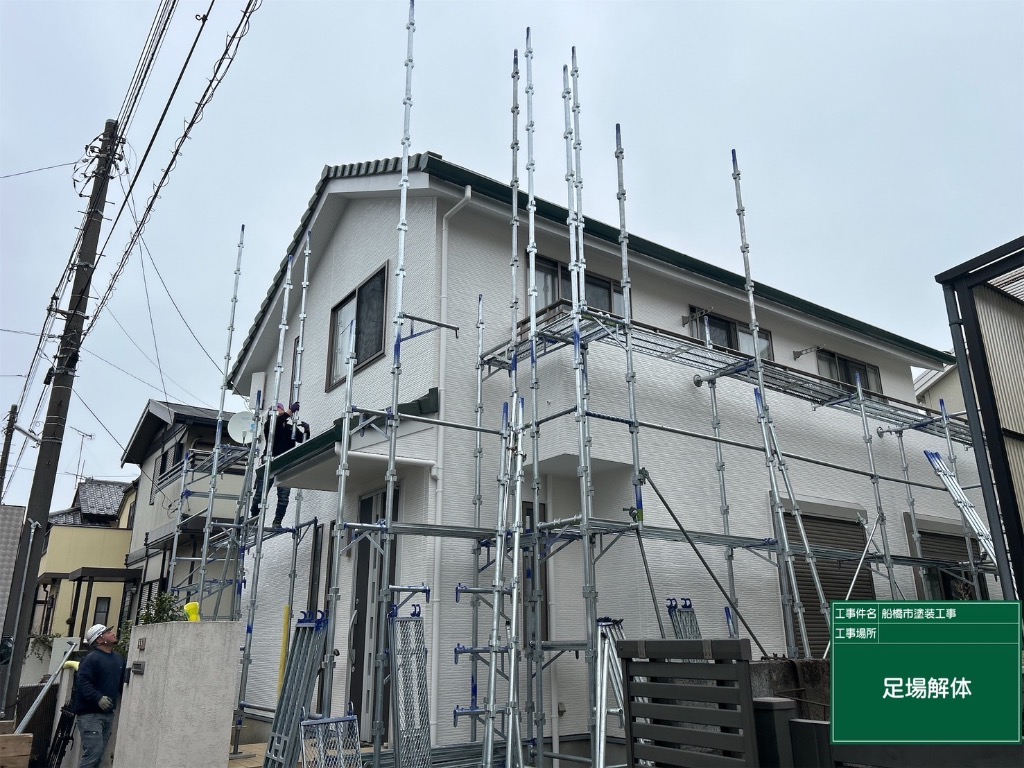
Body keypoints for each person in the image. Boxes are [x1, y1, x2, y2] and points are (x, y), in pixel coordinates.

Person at [71, 624, 125, 768]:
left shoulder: (119, 659)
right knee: (93, 754)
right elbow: (82, 682)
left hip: (108, 714)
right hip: (89, 715)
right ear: (100, 640)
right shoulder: (91, 659)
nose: (112, 633)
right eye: (107, 632)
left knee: (99, 756)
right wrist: (98, 698)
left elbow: (122, 683)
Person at [250, 401, 310, 528]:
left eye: (279, 409)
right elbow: (277, 422)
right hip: (269, 461)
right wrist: (290, 411)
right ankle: (254, 519)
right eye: (276, 409)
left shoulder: (289, 428)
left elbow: (302, 440)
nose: (279, 410)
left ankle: (277, 522)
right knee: (260, 494)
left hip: (285, 464)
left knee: (284, 496)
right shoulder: (269, 425)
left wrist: (307, 430)